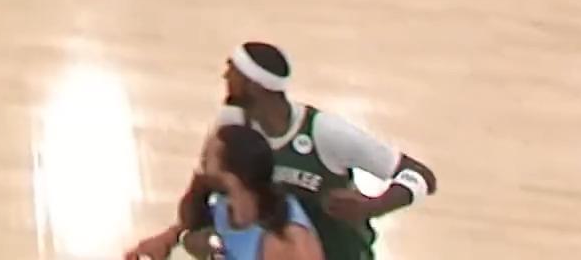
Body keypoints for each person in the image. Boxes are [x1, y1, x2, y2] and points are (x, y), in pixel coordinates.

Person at [152, 43, 438, 260]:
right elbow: (204, 194)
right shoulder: (232, 125)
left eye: (233, 71)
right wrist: (180, 234)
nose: (225, 76)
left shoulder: (325, 132)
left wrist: (373, 206)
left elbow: (421, 175)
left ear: (254, 85)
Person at [125, 123, 325, 260]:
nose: (201, 165)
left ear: (231, 177)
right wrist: (168, 238)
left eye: (206, 158)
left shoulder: (285, 243)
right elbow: (190, 223)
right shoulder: (226, 205)